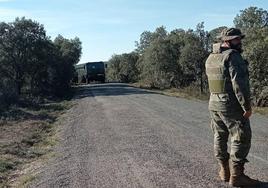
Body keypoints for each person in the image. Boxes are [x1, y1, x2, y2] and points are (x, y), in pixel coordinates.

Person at [205, 28, 260, 187]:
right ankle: (237, 176)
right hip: (230, 104)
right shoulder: (233, 56)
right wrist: (246, 106)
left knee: (219, 136)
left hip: (214, 103)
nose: (239, 42)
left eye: (239, 39)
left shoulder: (211, 57)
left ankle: (224, 171)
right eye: (236, 39)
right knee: (241, 137)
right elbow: (239, 84)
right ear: (226, 41)